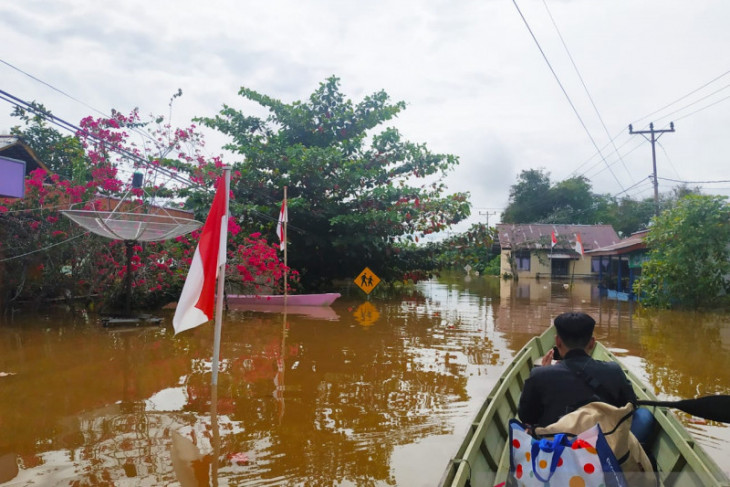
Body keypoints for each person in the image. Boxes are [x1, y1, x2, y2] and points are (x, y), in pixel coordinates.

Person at [517, 312, 653, 444]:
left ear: (558, 342)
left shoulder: (539, 375)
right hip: (604, 447)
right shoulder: (613, 370)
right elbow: (630, 405)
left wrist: (543, 372)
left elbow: (526, 417)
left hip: (559, 450)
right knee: (643, 415)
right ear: (592, 343)